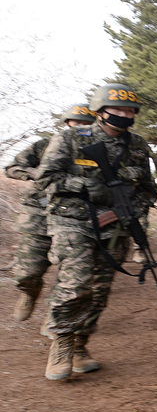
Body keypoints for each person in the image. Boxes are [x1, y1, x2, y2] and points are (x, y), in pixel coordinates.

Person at [36, 84, 157, 380]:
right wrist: (84, 187)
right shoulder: (72, 137)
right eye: (117, 110)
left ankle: (80, 345)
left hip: (115, 228)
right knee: (76, 283)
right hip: (72, 222)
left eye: (129, 111)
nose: (124, 115)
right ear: (100, 112)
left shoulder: (138, 146)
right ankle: (62, 342)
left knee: (99, 293)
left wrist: (123, 212)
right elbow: (46, 178)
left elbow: (147, 190)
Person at [6, 104, 95, 322]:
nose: (81, 126)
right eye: (77, 122)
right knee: (28, 271)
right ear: (67, 123)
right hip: (40, 213)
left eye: (87, 123)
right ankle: (29, 292)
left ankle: (59, 320)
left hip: (74, 217)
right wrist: (40, 173)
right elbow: (13, 167)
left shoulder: (98, 149)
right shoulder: (44, 145)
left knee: (73, 274)